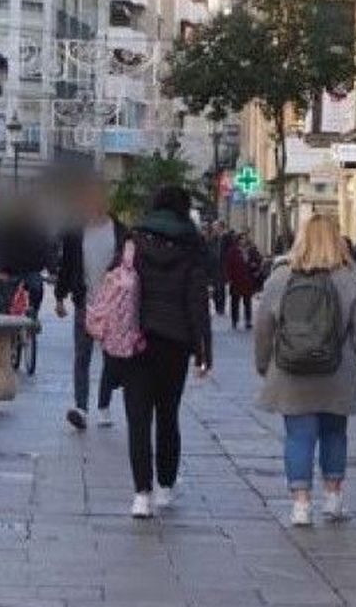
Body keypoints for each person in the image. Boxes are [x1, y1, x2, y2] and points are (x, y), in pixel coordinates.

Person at [254, 214, 356, 527]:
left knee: (298, 436)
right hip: (337, 372)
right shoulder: (351, 279)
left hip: (290, 371)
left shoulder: (280, 278)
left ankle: (300, 505)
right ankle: (333, 498)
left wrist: (263, 364)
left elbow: (263, 327)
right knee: (334, 433)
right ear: (337, 241)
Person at [121, 186, 212, 519]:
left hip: (136, 338)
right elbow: (197, 301)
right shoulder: (192, 245)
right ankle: (166, 487)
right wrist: (204, 351)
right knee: (168, 414)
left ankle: (141, 494)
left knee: (137, 417)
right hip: (175, 341)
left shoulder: (135, 240)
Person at [55, 180, 126, 431]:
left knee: (111, 357)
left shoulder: (120, 231)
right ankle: (81, 408)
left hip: (113, 305)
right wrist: (60, 297)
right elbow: (68, 265)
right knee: (82, 356)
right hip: (85, 301)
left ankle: (104, 404)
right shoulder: (76, 232)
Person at [0, 201, 52, 316]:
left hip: (29, 270)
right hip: (9, 270)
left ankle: (32, 313)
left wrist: (51, 269)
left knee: (36, 288)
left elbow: (46, 249)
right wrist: (0, 269)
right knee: (4, 295)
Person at [224, 232, 259, 329]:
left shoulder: (251, 250)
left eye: (244, 239)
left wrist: (254, 266)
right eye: (241, 239)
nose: (243, 241)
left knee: (247, 302)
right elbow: (229, 265)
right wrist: (229, 278)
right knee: (235, 301)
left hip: (247, 280)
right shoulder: (232, 251)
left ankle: (248, 320)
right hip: (236, 280)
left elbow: (257, 260)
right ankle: (234, 320)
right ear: (238, 240)